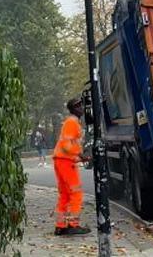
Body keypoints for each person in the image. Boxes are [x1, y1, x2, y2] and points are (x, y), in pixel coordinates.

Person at [52, 98, 91, 236]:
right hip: (65, 162)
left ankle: (60, 225)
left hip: (61, 161)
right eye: (77, 106)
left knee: (64, 195)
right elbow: (67, 145)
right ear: (72, 109)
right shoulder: (72, 122)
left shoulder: (72, 122)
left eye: (81, 105)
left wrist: (78, 156)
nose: (81, 108)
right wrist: (80, 155)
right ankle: (73, 224)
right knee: (76, 193)